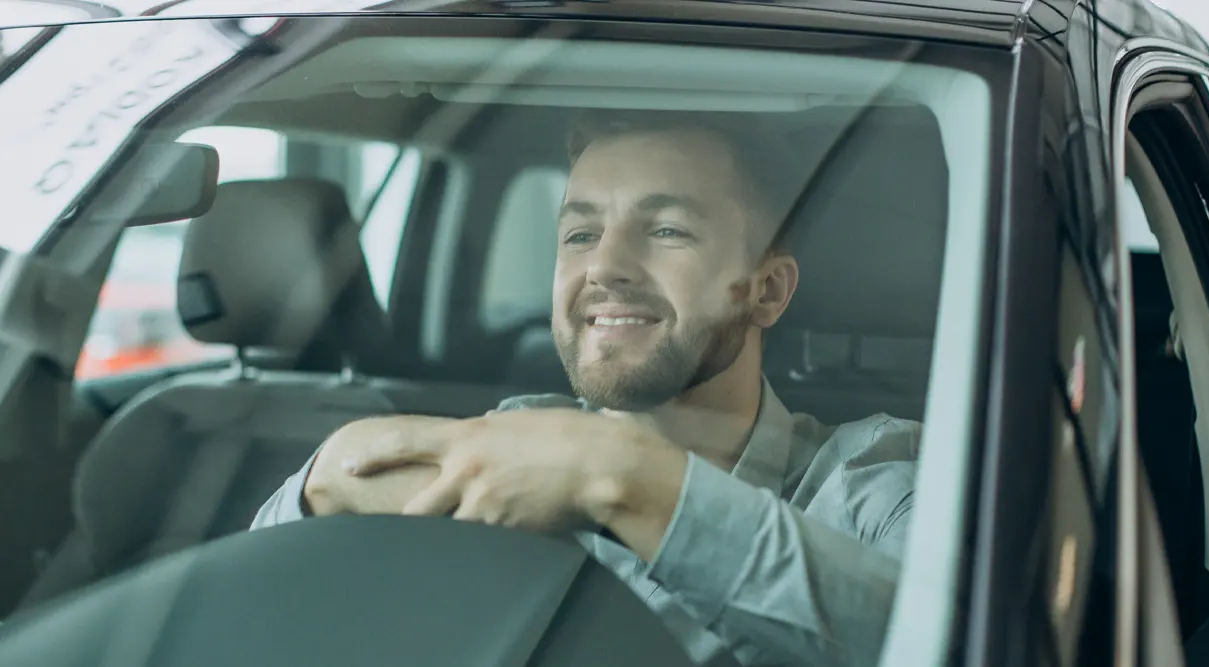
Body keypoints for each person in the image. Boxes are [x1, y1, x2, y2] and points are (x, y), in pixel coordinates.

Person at [251, 110, 921, 667]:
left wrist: (618, 476)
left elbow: (937, 637)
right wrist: (323, 483)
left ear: (765, 289)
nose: (604, 265)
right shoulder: (511, 437)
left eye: (666, 230)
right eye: (579, 232)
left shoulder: (871, 485)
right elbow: (264, 605)